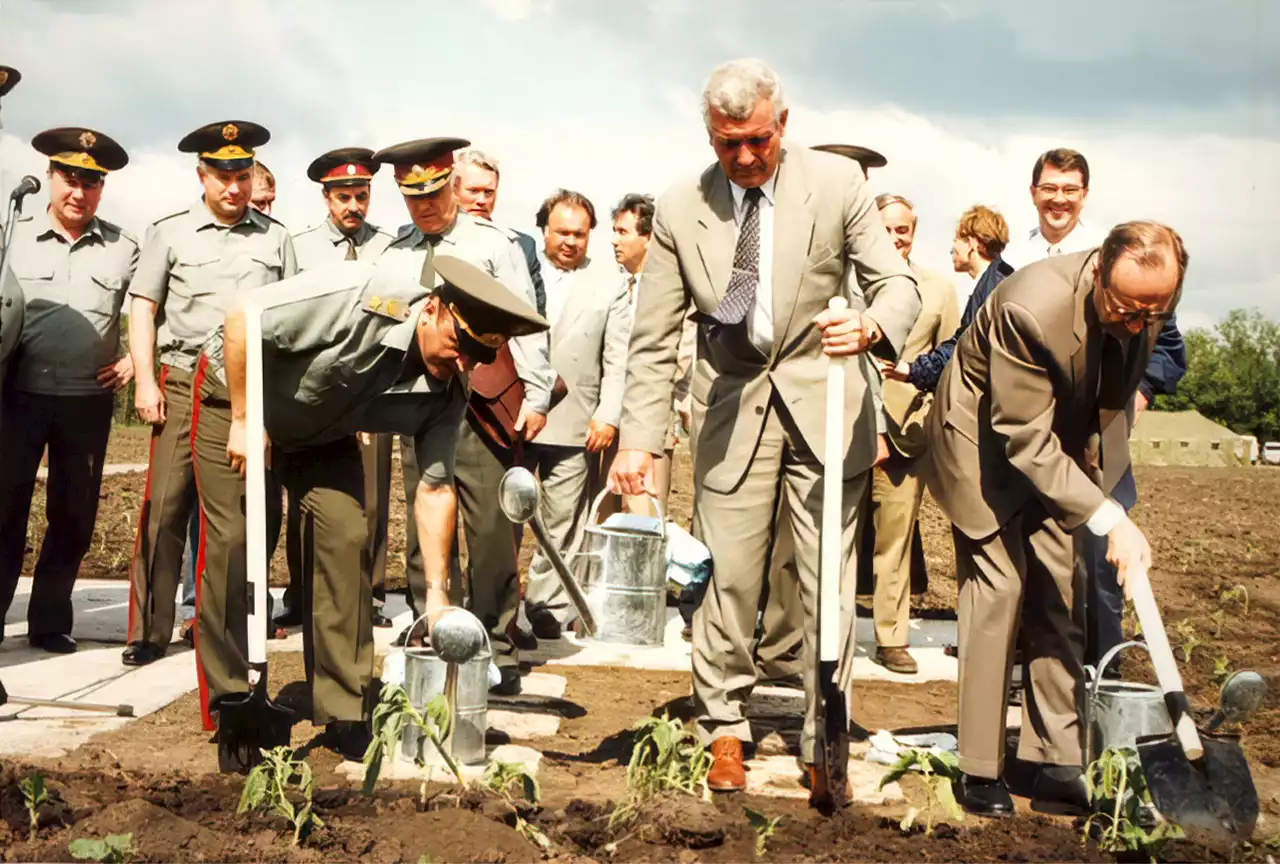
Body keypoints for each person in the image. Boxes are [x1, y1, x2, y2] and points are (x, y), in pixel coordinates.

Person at [610, 58, 920, 803]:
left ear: (783, 124)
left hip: (826, 406)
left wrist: (872, 324)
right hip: (730, 409)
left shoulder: (839, 185)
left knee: (829, 585)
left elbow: (897, 285)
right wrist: (636, 437)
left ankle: (826, 731)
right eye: (727, 145)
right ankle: (723, 725)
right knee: (728, 581)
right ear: (709, 136)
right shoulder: (682, 208)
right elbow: (653, 339)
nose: (744, 157)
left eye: (756, 140)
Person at [215, 253, 549, 757]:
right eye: (460, 346)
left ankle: (344, 709)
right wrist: (244, 417)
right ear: (434, 309)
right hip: (238, 397)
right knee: (233, 543)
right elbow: (243, 314)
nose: (463, 365)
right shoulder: (363, 297)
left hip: (319, 435)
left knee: (347, 536)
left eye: (478, 359)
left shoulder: (448, 390)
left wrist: (437, 597)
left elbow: (435, 489)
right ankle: (234, 698)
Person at [925, 220, 1186, 817]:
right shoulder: (1029, 308)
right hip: (980, 443)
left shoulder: (1146, 304)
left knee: (1061, 593)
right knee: (1001, 589)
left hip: (1055, 443)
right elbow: (1020, 437)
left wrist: (1110, 497)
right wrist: (1103, 516)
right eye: (1125, 308)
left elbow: (1115, 400)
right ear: (1098, 273)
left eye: (1153, 312)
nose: (1139, 322)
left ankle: (1053, 760)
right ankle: (980, 767)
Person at [376, 137, 555, 693]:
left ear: (451, 183)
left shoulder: (493, 244)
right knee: (425, 523)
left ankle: (497, 642)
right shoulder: (395, 249)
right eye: (411, 197)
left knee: (490, 524)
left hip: (480, 398)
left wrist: (538, 393)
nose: (424, 207)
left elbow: (524, 319)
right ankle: (432, 628)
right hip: (416, 396)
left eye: (432, 193)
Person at [1004, 148, 1187, 669]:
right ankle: (1035, 671)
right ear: (1034, 192)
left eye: (1070, 190)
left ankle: (1102, 671)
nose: (1058, 199)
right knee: (1028, 564)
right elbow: (974, 334)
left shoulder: (1125, 265)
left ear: (1085, 196)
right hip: (1029, 436)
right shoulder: (1012, 261)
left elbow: (1168, 348)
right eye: (1049, 188)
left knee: (1100, 564)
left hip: (1095, 437)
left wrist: (1133, 400)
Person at [124, 120, 295, 667]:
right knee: (165, 508)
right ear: (202, 175)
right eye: (222, 176)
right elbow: (144, 308)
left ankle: (224, 624)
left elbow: (290, 317)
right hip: (180, 383)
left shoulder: (275, 238)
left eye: (242, 175)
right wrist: (147, 382)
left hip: (245, 392)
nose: (233, 187)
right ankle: (149, 629)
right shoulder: (169, 233)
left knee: (237, 515)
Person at [0, 127, 137, 652]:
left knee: (73, 513)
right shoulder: (12, 238)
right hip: (18, 395)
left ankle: (51, 620)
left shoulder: (124, 247)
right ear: (51, 178)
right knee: (5, 507)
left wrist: (133, 359)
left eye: (91, 182)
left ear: (102, 188)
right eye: (70, 179)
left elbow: (156, 307)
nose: (78, 193)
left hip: (86, 401)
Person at [283, 147, 396, 630]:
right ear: (326, 199)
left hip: (371, 385)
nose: (354, 206)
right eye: (344, 197)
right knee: (307, 494)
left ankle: (366, 594)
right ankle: (302, 592)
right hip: (315, 387)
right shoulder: (299, 246)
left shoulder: (388, 248)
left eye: (362, 196)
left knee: (371, 496)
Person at [522, 190, 631, 637]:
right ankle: (498, 605)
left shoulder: (610, 283)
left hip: (576, 423)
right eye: (562, 232)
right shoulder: (519, 273)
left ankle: (545, 606)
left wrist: (608, 415)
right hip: (516, 418)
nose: (570, 242)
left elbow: (619, 357)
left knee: (561, 523)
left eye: (580, 234)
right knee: (504, 519)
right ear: (544, 230)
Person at [858, 193, 959, 674]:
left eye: (904, 229)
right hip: (843, 429)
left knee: (894, 542)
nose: (896, 237)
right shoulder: (845, 279)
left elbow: (952, 363)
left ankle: (891, 637)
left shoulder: (938, 288)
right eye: (887, 228)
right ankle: (816, 635)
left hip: (905, 436)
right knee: (828, 540)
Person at [884, 205, 1014, 394]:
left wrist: (913, 370)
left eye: (956, 240)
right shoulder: (998, 281)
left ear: (971, 243)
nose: (952, 249)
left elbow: (964, 348)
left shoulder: (993, 289)